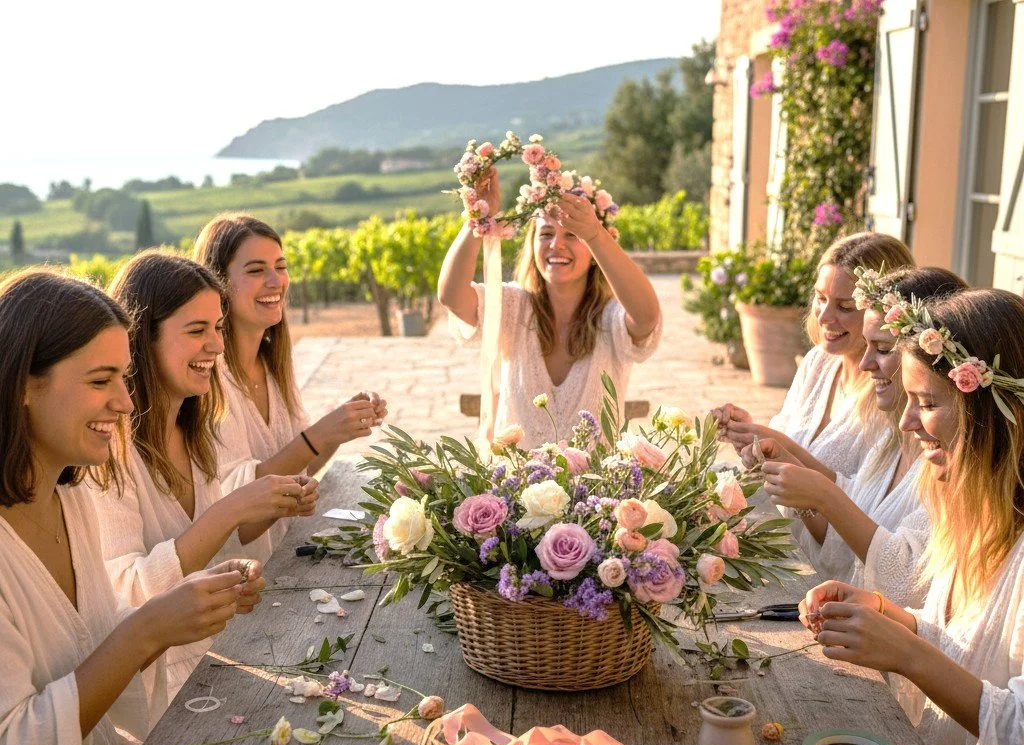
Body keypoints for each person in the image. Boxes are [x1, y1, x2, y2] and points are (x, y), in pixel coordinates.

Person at [0, 270, 264, 745]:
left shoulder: (70, 498)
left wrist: (185, 608)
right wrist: (148, 629)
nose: (124, 402)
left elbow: (90, 655)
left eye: (124, 377)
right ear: (22, 386)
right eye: (101, 381)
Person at [799, 289, 1024, 745]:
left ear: (993, 414)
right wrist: (892, 616)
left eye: (925, 402)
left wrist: (907, 654)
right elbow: (971, 648)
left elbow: (1019, 731)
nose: (906, 420)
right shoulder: (975, 514)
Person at [91, 251, 315, 707]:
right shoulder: (105, 452)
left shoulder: (197, 433)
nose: (216, 344)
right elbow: (127, 591)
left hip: (217, 665)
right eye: (197, 330)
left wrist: (233, 576)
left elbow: (198, 559)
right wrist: (230, 511)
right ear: (140, 341)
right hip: (153, 698)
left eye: (217, 326)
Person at [748, 268, 967, 605]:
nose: (864, 363)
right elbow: (847, 548)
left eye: (880, 348)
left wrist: (823, 496)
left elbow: (909, 582)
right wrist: (793, 471)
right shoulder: (892, 440)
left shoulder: (956, 466)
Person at [193, 214, 386, 557]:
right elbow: (240, 499)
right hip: (239, 576)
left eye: (280, 266)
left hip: (282, 555)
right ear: (218, 284)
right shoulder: (209, 379)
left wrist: (342, 425)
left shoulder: (271, 363)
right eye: (256, 270)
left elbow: (303, 466)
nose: (275, 281)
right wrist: (320, 435)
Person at [438, 168, 662, 449]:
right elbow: (452, 295)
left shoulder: (612, 317)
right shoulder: (513, 308)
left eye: (572, 235)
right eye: (546, 234)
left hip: (599, 491)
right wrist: (478, 217)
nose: (557, 245)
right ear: (532, 246)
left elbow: (647, 317)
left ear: (595, 251)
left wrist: (594, 234)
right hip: (514, 489)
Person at [714, 233, 916, 479]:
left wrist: (777, 444)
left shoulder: (894, 394)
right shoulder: (818, 362)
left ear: (884, 313)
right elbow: (783, 439)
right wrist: (752, 433)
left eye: (845, 307)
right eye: (821, 298)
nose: (823, 317)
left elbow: (864, 505)